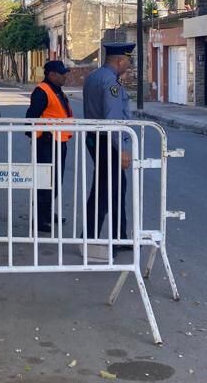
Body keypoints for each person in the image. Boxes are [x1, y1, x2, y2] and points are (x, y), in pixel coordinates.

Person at [81, 42, 135, 260]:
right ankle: (93, 238)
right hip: (107, 143)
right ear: (120, 60)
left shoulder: (94, 77)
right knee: (105, 191)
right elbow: (113, 119)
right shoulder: (110, 82)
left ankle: (118, 236)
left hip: (97, 140)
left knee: (115, 188)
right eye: (128, 61)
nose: (129, 66)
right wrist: (121, 149)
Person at [25, 61, 73, 233]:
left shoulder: (57, 91)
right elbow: (30, 117)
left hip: (59, 142)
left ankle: (47, 213)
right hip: (47, 144)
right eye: (62, 73)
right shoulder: (42, 91)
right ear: (52, 74)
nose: (65, 76)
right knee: (44, 181)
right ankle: (39, 219)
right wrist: (41, 136)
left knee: (55, 182)